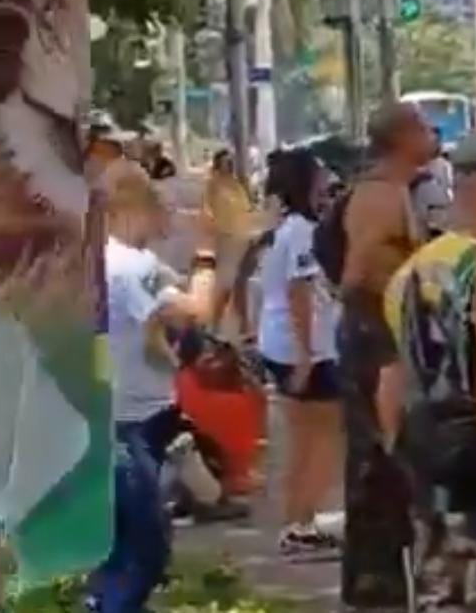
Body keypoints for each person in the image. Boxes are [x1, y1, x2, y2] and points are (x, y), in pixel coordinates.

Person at [383, 131, 476, 612]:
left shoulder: (411, 271)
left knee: (439, 580)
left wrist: (399, 448)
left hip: (426, 446)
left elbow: (392, 374)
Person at [87, 160, 216, 612]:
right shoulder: (126, 265)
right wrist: (207, 254)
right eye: (159, 204)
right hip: (126, 423)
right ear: (132, 206)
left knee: (122, 545)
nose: (167, 215)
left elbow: (153, 329)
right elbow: (195, 310)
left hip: (126, 415)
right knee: (146, 549)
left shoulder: (114, 259)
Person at [338, 102, 432, 604]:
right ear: (402, 137)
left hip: (381, 335)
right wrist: (403, 290)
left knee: (390, 468)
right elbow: (358, 273)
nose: (432, 134)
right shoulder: (379, 196)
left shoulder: (397, 191)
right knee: (378, 463)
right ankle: (374, 590)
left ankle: (385, 584)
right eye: (422, 126)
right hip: (374, 338)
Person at [256, 148, 343, 555]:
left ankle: (297, 520)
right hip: (304, 347)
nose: (326, 182)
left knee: (302, 440)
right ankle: (300, 524)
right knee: (321, 439)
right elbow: (299, 293)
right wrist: (307, 355)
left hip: (279, 341)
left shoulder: (279, 229)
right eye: (320, 175)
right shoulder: (303, 234)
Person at [201, 149, 254, 332]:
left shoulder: (238, 184)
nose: (228, 165)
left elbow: (247, 209)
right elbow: (207, 210)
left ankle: (244, 325)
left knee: (240, 283)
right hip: (227, 238)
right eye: (225, 161)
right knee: (226, 282)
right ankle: (214, 323)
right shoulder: (213, 184)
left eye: (230, 161)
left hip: (243, 237)